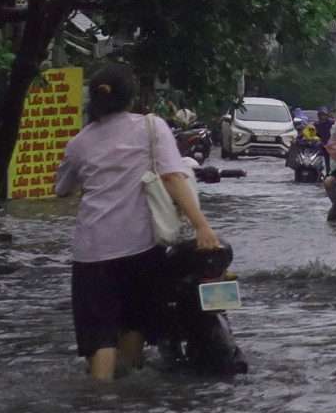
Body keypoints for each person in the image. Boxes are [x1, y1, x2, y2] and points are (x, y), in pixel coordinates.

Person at [54, 63, 222, 381]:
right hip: (141, 247)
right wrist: (202, 225)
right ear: (130, 98)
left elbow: (62, 188)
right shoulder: (151, 127)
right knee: (135, 324)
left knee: (100, 338)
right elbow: (173, 177)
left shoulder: (80, 142)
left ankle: (99, 406)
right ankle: (130, 403)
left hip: (93, 252)